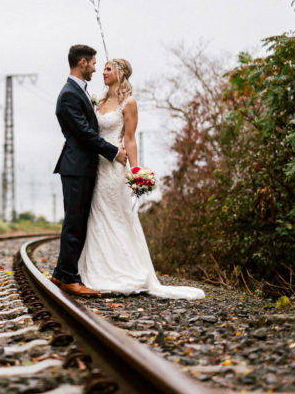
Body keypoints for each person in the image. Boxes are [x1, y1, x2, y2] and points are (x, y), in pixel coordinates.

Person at [76, 58, 204, 299]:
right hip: (96, 166)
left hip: (115, 167)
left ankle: (124, 270)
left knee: (117, 215)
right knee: (97, 216)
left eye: (108, 69)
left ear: (121, 73)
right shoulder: (99, 101)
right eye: (102, 68)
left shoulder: (129, 102)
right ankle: (96, 270)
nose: (103, 72)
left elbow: (130, 138)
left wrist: (136, 172)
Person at [51, 44, 127, 297]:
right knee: (75, 222)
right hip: (76, 167)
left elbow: (80, 130)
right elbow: (84, 133)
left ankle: (62, 273)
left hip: (80, 165)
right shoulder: (69, 93)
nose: (96, 68)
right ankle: (70, 278)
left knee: (77, 221)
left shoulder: (77, 91)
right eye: (94, 63)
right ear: (82, 63)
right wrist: (114, 152)